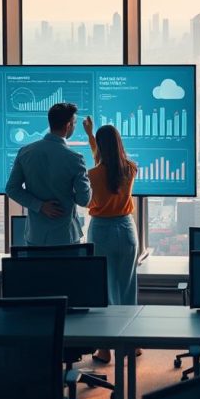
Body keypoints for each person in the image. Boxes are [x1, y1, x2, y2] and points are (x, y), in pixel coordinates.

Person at [82, 117, 139, 364]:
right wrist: (91, 136)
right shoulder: (131, 169)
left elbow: (99, 165)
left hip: (101, 230)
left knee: (104, 289)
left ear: (101, 147)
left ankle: (105, 349)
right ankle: (131, 345)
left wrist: (90, 136)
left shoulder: (92, 174)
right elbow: (108, 163)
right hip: (126, 229)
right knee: (128, 288)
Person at [5, 102, 91, 246]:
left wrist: (40, 205)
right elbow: (84, 200)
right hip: (66, 237)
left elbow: (12, 189)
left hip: (35, 237)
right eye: (74, 123)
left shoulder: (25, 152)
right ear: (68, 125)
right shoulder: (75, 158)